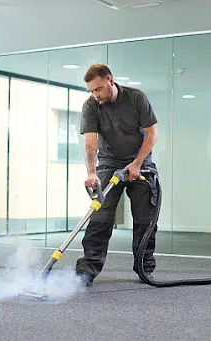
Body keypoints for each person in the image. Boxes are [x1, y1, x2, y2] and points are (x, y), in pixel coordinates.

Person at [75, 64, 160, 286]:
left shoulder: (136, 98)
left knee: (145, 220)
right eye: (91, 91)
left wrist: (137, 163)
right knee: (99, 217)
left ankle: (144, 267)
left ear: (110, 80)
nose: (96, 95)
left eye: (99, 89)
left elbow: (152, 133)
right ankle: (87, 270)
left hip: (141, 164)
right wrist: (92, 173)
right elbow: (90, 143)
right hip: (109, 163)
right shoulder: (91, 106)